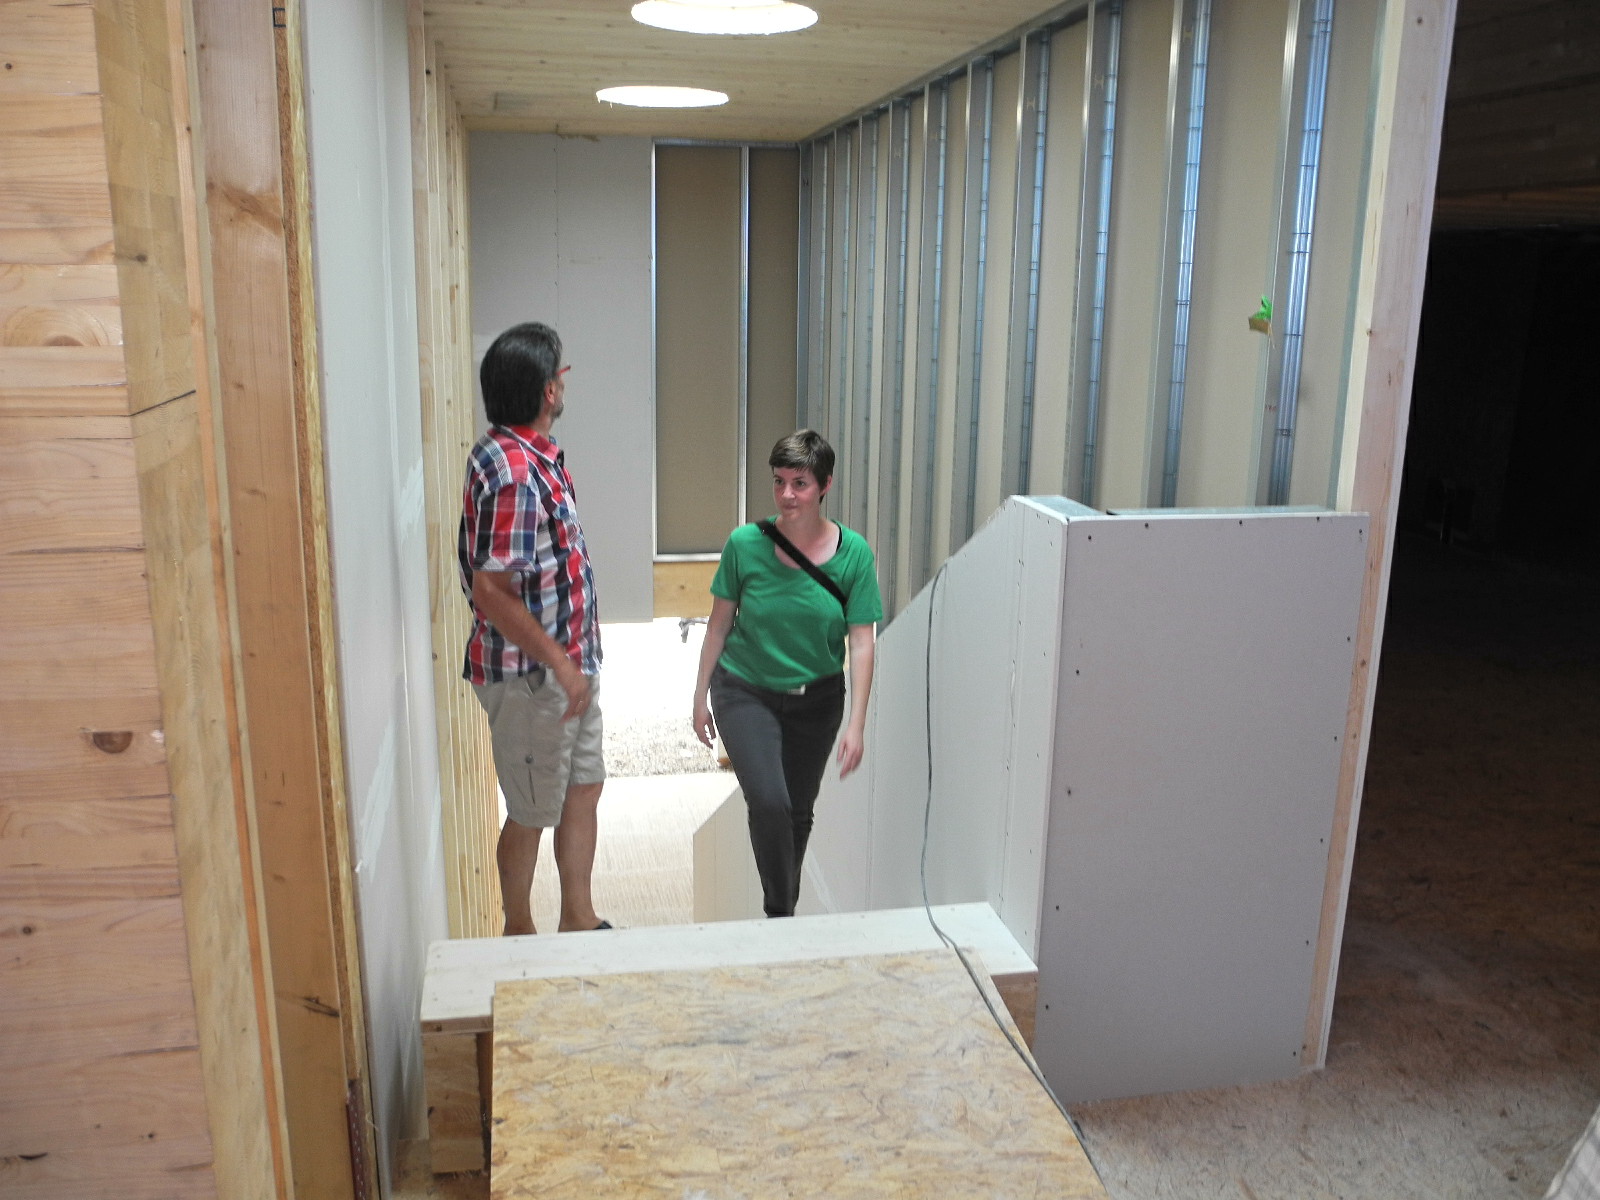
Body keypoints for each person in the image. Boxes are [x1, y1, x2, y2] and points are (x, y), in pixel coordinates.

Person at [692, 430, 883, 918]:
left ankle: (783, 913)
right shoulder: (745, 545)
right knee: (770, 803)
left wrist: (857, 724)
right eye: (779, 482)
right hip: (744, 690)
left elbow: (862, 641)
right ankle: (780, 914)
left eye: (800, 483)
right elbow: (718, 625)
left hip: (817, 701)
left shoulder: (854, 554)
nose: (787, 495)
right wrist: (698, 697)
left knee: (798, 812)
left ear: (825, 485)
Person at [459, 322, 610, 936]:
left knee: (583, 787)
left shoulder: (529, 456)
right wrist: (559, 663)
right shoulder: (516, 473)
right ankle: (517, 934)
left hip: (568, 666)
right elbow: (491, 590)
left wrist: (575, 662)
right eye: (561, 373)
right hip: (533, 678)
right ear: (549, 390)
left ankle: (578, 918)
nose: (564, 382)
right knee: (530, 809)